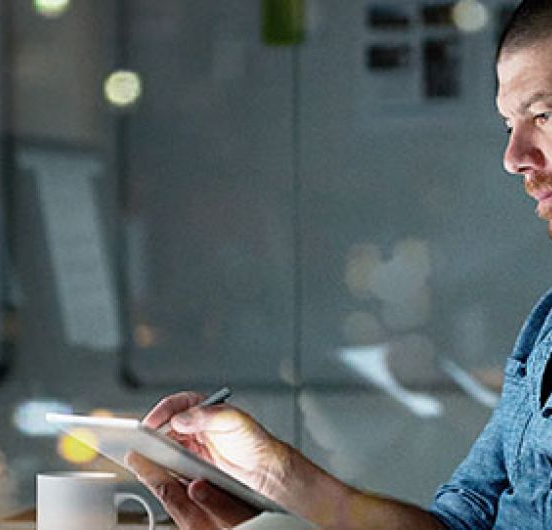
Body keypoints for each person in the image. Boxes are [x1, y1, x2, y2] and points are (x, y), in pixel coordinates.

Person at [126, 1, 552, 528]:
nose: (514, 156)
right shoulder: (544, 327)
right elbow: (459, 523)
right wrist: (276, 478)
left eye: (543, 116)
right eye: (509, 124)